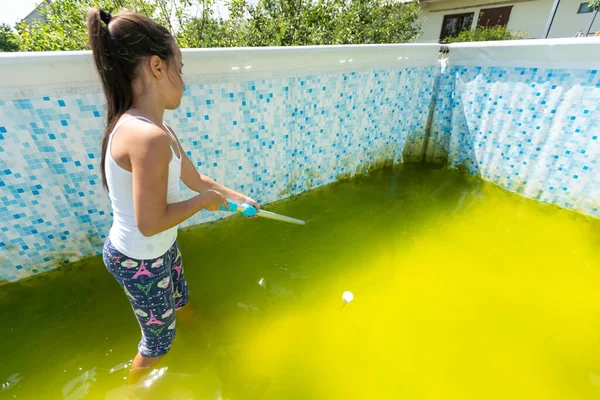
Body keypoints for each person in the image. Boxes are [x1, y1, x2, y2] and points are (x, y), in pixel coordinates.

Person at [87, 7, 259, 377]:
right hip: (138, 260)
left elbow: (199, 181)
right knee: (158, 343)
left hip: (159, 247)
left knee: (181, 299)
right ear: (157, 67)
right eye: (180, 68)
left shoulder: (158, 130)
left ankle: (199, 330)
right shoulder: (145, 137)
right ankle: (130, 389)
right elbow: (149, 223)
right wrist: (202, 204)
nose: (183, 79)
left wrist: (238, 199)